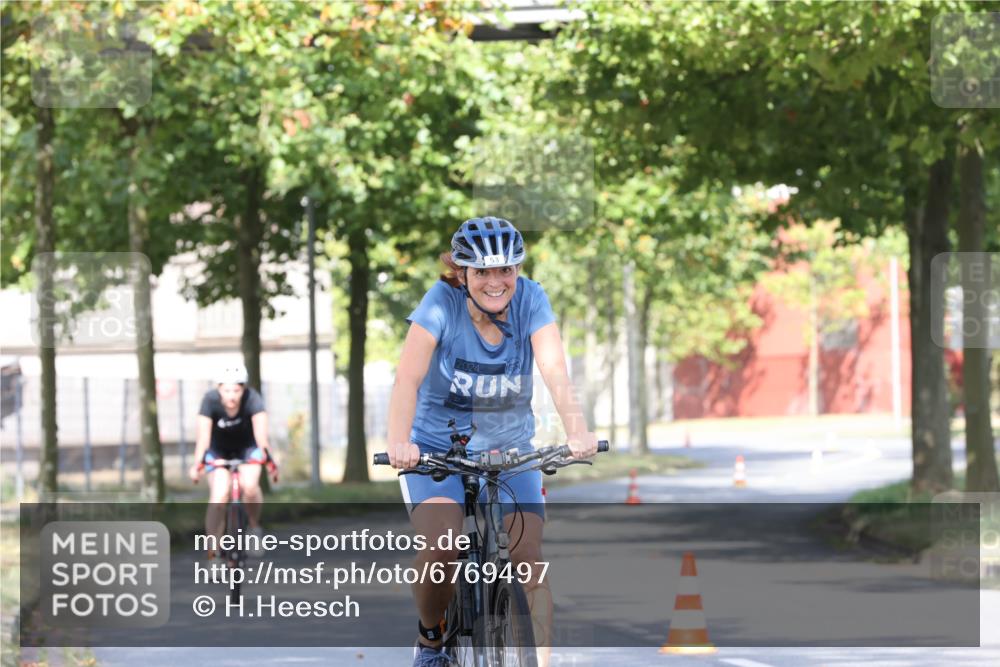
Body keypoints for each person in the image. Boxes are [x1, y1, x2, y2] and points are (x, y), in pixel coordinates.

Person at [386, 217, 598, 667]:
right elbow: (407, 378)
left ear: (518, 270)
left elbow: (555, 372)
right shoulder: (440, 304)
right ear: (461, 273)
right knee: (441, 546)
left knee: (528, 560)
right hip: (437, 451)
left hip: (511, 450)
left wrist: (577, 431)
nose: (495, 281)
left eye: (506, 270)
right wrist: (398, 443)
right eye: (482, 272)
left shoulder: (533, 300)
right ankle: (430, 638)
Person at [188, 364, 278, 559]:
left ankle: (253, 528)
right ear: (219, 388)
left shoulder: (253, 399)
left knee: (251, 486)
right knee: (220, 494)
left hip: (247, 448)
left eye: (236, 390)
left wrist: (270, 462)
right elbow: (203, 438)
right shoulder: (210, 401)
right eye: (227, 390)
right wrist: (197, 464)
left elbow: (261, 437)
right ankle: (213, 554)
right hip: (218, 450)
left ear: (243, 388)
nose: (231, 396)